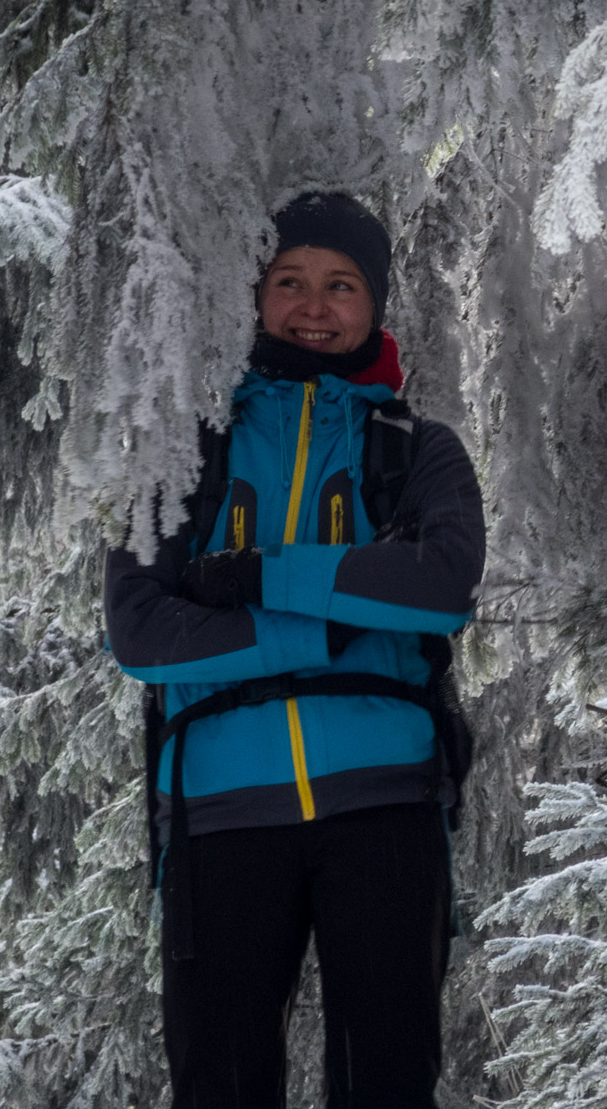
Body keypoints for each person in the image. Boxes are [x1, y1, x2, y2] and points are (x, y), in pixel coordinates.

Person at [104, 191, 485, 1109]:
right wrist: (340, 615)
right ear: (257, 294)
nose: (315, 306)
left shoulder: (416, 450)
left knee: (385, 1085)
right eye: (291, 281)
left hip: (384, 807)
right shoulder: (184, 451)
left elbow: (439, 587)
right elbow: (141, 631)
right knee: (219, 1087)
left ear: (375, 303)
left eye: (341, 284)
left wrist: (259, 575)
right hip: (219, 814)